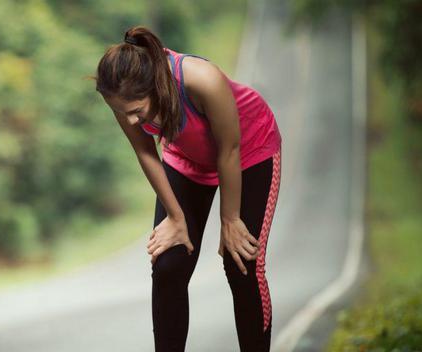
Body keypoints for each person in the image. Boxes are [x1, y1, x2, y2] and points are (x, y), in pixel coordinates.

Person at [91, 26, 282, 351]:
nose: (132, 121)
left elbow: (229, 150)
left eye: (137, 111)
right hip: (186, 158)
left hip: (249, 151)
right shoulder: (122, 98)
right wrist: (176, 218)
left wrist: (230, 219)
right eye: (125, 113)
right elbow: (146, 152)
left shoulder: (200, 79)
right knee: (168, 264)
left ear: (155, 86)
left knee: (242, 265)